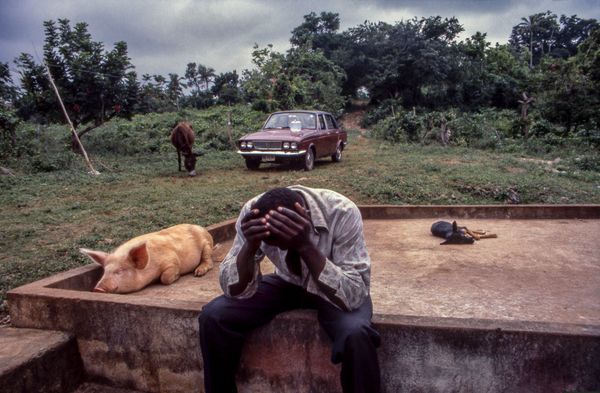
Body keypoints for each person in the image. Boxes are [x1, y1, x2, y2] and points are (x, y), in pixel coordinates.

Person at [198, 185, 381, 393]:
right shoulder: (254, 213)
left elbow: (355, 293)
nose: (280, 249)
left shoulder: (342, 212)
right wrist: (249, 247)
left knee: (356, 333)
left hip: (336, 286)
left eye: (284, 242)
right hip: (287, 281)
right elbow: (232, 288)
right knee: (214, 316)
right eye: (272, 243)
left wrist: (304, 245)